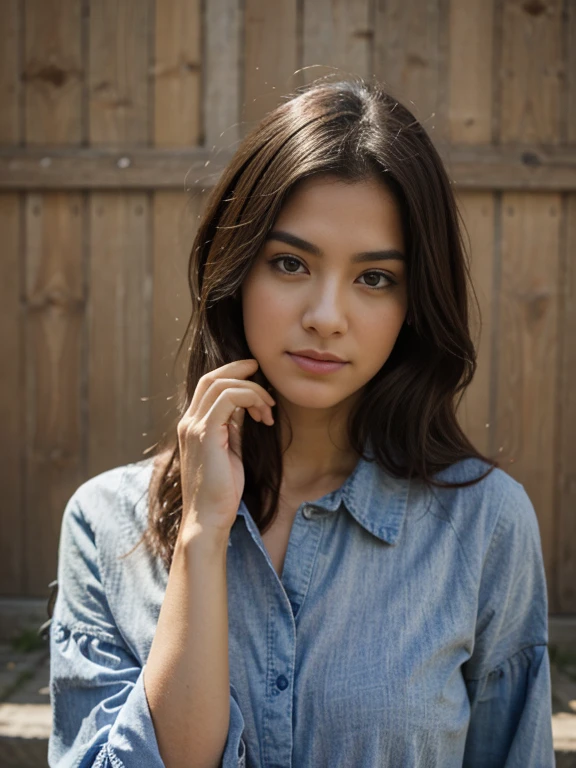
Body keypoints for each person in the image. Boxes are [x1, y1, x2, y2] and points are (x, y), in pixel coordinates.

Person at [47, 78, 555, 768]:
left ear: (414, 304)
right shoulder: (104, 525)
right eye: (289, 263)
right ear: (235, 273)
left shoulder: (486, 524)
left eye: (374, 278)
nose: (325, 315)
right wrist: (201, 535)